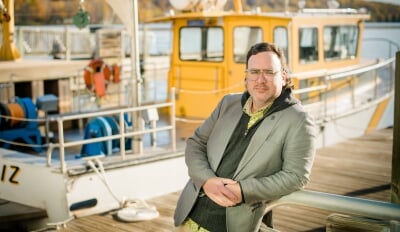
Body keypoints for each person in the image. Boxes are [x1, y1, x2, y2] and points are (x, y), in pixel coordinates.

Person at [173, 42, 317, 232]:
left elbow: (296, 177)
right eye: (254, 72)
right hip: (188, 218)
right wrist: (206, 180)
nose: (260, 79)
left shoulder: (299, 120)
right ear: (246, 76)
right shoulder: (227, 103)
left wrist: (243, 190)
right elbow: (195, 143)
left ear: (283, 76)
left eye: (269, 72)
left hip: (233, 226)